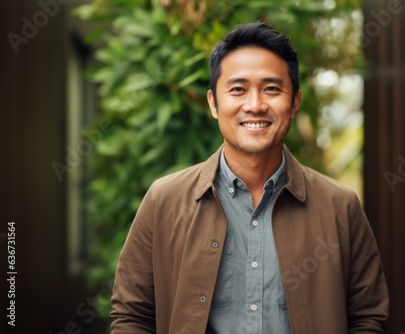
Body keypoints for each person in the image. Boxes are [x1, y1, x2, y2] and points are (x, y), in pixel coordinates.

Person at [110, 21, 389, 333]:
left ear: (294, 103)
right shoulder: (164, 201)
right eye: (238, 89)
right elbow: (132, 315)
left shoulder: (340, 206)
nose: (255, 105)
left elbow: (368, 316)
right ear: (214, 103)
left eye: (271, 89)